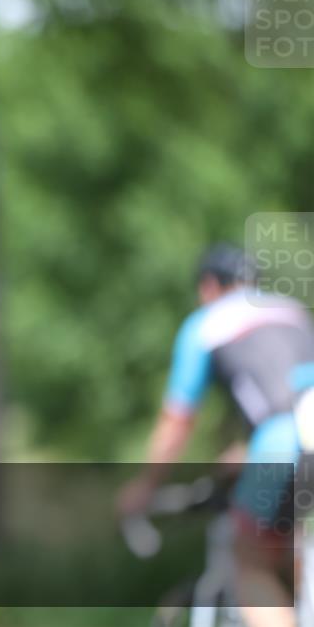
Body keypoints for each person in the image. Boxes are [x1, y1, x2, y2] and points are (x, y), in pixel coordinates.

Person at [119, 243, 314, 627]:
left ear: (209, 286)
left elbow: (177, 420)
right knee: (287, 542)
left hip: (284, 440)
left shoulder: (206, 323)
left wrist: (143, 486)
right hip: (297, 437)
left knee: (249, 563)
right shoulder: (292, 311)